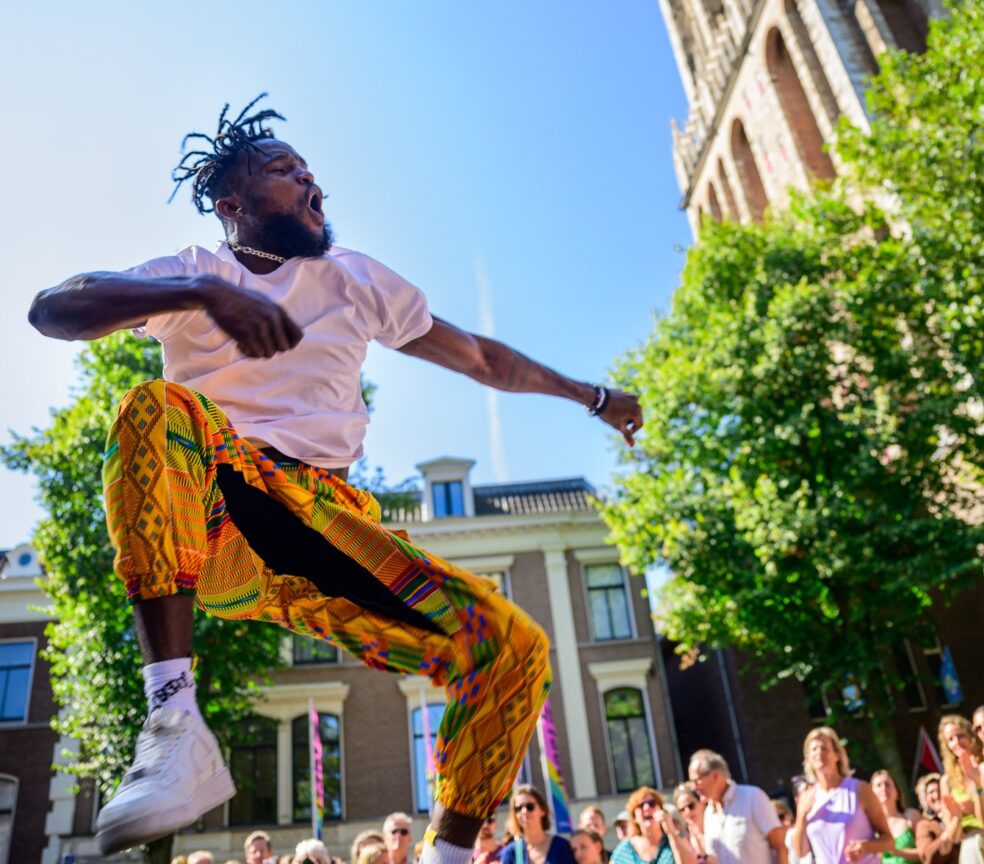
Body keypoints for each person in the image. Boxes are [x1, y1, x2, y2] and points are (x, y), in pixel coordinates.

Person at [28, 94, 643, 860]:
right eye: (286, 173)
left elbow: (484, 358)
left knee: (509, 648)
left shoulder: (356, 279)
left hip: (325, 529)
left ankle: (447, 851)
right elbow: (53, 309)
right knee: (154, 408)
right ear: (235, 205)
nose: (311, 181)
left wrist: (592, 396)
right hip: (217, 516)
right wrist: (203, 295)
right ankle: (173, 723)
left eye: (310, 170)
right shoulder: (197, 269)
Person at [789, 727, 893, 864]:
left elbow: (889, 841)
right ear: (809, 759)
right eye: (813, 749)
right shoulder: (807, 797)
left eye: (824, 748)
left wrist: (866, 846)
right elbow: (800, 852)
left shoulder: (859, 789)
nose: (818, 752)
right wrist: (801, 815)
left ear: (837, 755)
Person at [688, 749, 787, 864]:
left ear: (715, 776)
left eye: (696, 780)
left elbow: (781, 846)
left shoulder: (753, 797)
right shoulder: (709, 813)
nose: (693, 787)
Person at [937, 715, 984, 864]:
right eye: (950, 739)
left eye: (960, 736)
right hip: (970, 845)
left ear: (971, 736)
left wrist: (977, 792)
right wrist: (957, 816)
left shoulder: (981, 767)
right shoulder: (947, 782)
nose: (956, 742)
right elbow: (954, 837)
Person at [610, 786, 698, 864]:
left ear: (661, 809)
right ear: (635, 817)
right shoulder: (626, 848)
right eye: (641, 805)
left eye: (652, 803)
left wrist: (672, 833)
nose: (647, 808)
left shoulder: (678, 838)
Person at [500, 785, 576, 864]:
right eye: (518, 808)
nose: (524, 812)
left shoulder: (562, 847)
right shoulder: (510, 853)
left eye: (530, 806)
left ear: (542, 810)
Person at [871, 770, 921, 862]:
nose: (883, 788)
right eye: (879, 785)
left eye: (887, 784)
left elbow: (928, 851)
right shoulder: (871, 829)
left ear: (897, 792)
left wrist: (897, 852)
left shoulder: (910, 817)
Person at [914, 772, 962, 864]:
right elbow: (928, 856)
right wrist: (955, 823)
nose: (936, 796)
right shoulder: (924, 825)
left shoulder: (962, 812)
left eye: (940, 790)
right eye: (931, 792)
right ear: (926, 798)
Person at [672, 782, 715, 864]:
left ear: (702, 801)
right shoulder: (685, 838)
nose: (687, 812)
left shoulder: (717, 827)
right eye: (682, 810)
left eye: (691, 806)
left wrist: (704, 854)